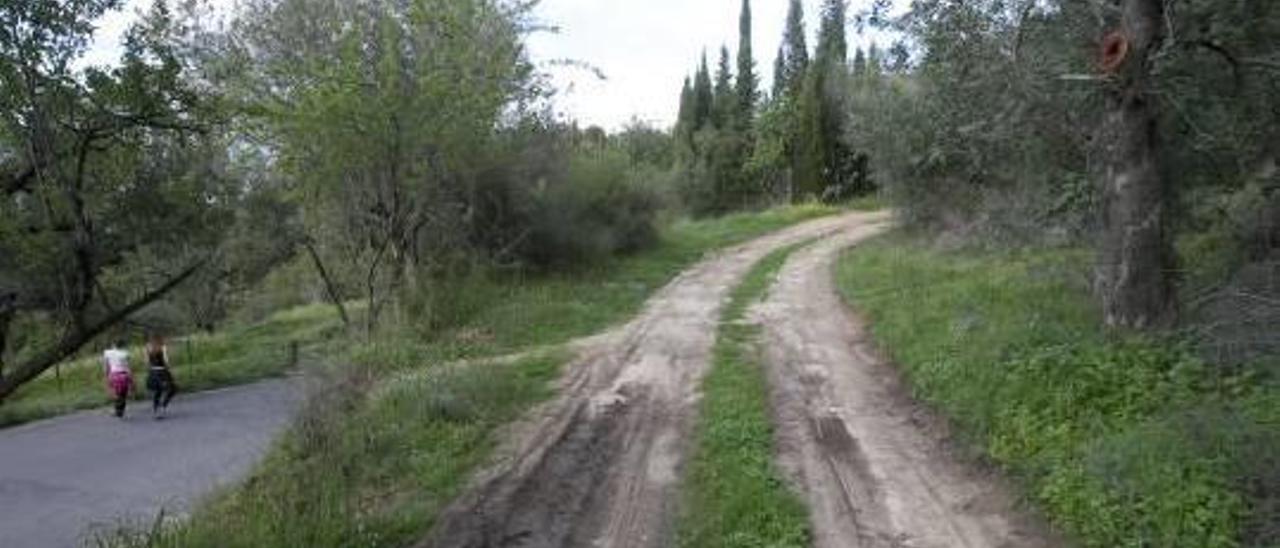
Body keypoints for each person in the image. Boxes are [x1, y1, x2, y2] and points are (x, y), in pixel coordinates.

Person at [145, 335, 178, 419]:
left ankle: (156, 409)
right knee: (172, 389)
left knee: (157, 391)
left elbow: (147, 362)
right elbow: (166, 361)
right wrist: (171, 371)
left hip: (153, 371)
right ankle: (162, 406)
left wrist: (150, 370)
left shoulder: (148, 347)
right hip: (162, 371)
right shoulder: (163, 348)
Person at [102, 340, 133, 418]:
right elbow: (128, 367)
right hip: (123, 375)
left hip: (114, 375)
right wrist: (131, 378)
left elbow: (106, 366)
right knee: (123, 394)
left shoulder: (107, 353)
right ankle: (121, 410)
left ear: (113, 344)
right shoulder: (125, 353)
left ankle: (118, 410)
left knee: (116, 393)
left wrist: (106, 375)